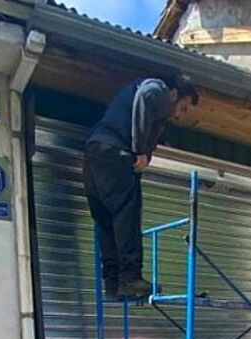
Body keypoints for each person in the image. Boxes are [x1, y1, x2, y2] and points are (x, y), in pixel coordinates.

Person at [83, 73, 199, 299]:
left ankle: (113, 283)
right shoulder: (158, 89)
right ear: (174, 94)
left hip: (94, 155)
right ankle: (130, 278)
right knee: (128, 216)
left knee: (107, 221)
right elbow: (145, 98)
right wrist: (140, 150)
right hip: (116, 153)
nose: (180, 115)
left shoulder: (148, 101)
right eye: (183, 108)